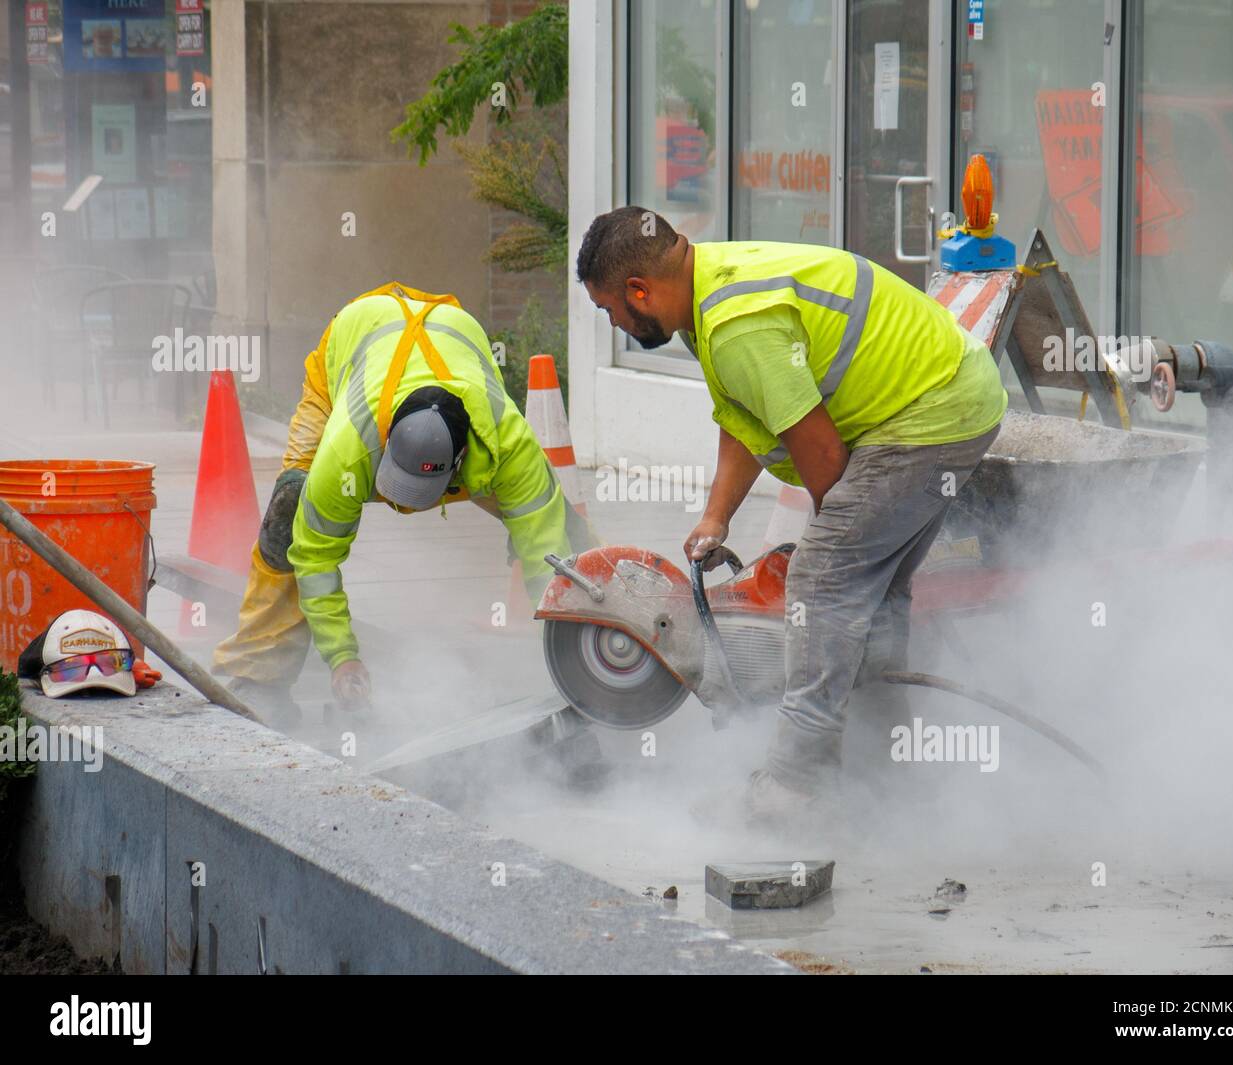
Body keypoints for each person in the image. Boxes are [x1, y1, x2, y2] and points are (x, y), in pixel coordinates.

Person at [576, 208, 1007, 818]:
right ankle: (885, 762)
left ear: (639, 290)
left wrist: (838, 548)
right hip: (952, 391)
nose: (616, 323)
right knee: (873, 592)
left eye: (610, 310)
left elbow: (822, 453)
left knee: (823, 580)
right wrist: (716, 517)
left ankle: (797, 785)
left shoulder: (736, 326)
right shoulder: (708, 290)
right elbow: (748, 417)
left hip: (931, 413)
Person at [212, 283, 592, 717]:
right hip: (359, 334)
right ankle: (260, 673)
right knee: (291, 512)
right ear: (388, 439)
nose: (405, 505)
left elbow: (547, 555)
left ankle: (608, 634)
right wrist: (342, 657)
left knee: (562, 528)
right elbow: (316, 558)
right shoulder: (349, 444)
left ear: (462, 460)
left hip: (451, 336)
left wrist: (577, 665)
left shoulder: (508, 445)